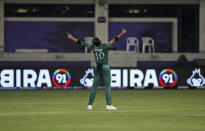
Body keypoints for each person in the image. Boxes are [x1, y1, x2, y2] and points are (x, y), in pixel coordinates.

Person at [67, 28, 126, 110]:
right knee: (107, 87)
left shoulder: (92, 47)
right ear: (99, 41)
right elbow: (114, 40)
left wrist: (72, 37)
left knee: (94, 87)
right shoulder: (105, 46)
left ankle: (89, 105)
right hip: (105, 67)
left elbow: (81, 43)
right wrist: (122, 33)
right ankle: (109, 105)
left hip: (98, 67)